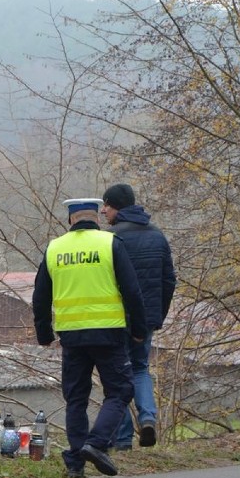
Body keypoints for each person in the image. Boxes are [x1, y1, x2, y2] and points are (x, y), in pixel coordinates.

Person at [33, 198, 147, 478]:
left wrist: (44, 333)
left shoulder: (54, 248)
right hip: (109, 332)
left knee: (76, 398)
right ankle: (95, 444)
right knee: (120, 391)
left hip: (71, 335)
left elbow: (40, 297)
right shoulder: (110, 243)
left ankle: (75, 462)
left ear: (70, 219)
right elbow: (132, 291)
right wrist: (139, 329)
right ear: (96, 217)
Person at [101, 183, 176, 450]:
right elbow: (169, 280)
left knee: (117, 376)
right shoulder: (157, 236)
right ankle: (147, 417)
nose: (102, 211)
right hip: (146, 319)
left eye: (106, 205)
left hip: (117, 318)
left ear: (116, 206)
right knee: (141, 368)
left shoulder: (111, 239)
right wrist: (158, 315)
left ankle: (122, 440)